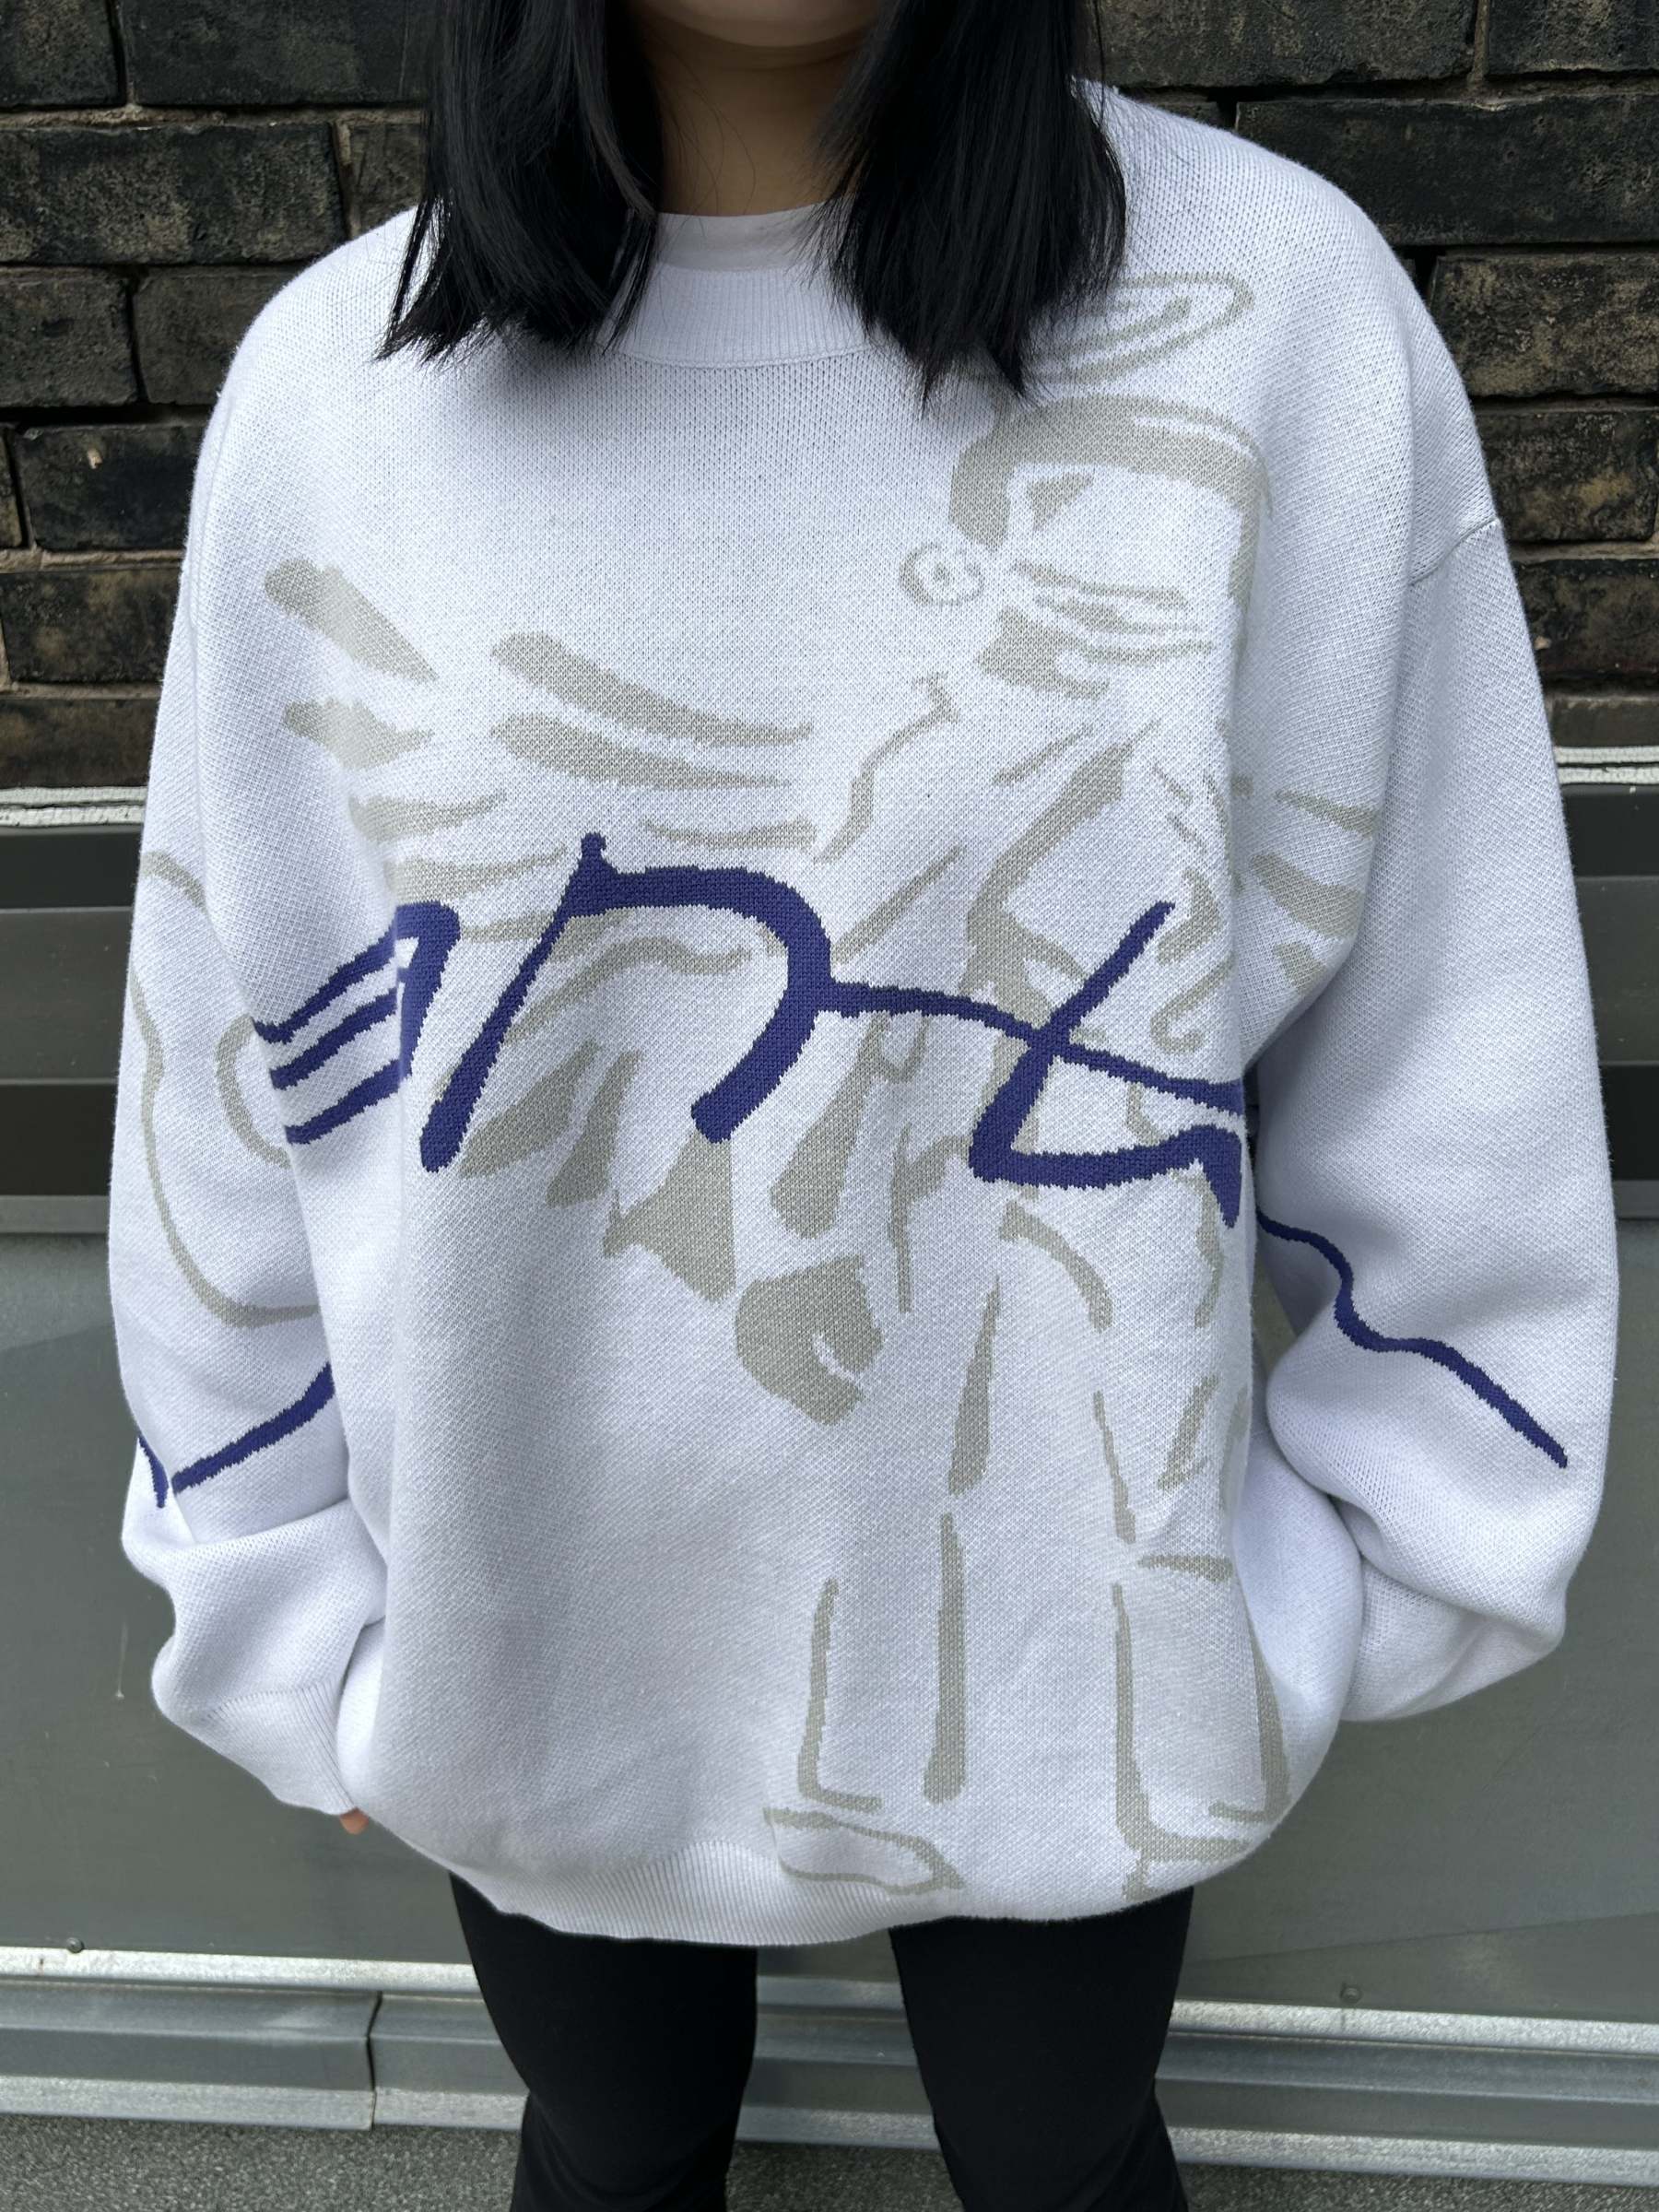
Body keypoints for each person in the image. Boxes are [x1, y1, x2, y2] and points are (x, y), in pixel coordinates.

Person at [104, 0, 1619, 2205]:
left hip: (1070, 1614)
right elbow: (236, 1064)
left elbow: (1442, 1025)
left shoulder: (1273, 318)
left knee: (1060, 2153)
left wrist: (1351, 1578)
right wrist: (280, 1610)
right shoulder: (344, 394)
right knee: (615, 2146)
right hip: (522, 1616)